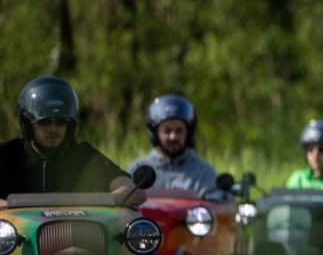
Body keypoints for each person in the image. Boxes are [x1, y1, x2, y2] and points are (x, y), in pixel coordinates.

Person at [0, 75, 145, 205]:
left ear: (70, 125)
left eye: (60, 122)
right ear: (27, 124)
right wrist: (7, 206)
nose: (53, 129)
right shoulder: (7, 155)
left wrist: (109, 198)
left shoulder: (85, 157)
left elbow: (133, 191)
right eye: (44, 122)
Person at [129, 94, 217, 197]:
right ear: (155, 134)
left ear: (189, 133)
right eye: (167, 131)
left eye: (179, 131)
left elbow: (216, 204)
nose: (173, 137)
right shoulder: (138, 170)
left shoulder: (204, 173)